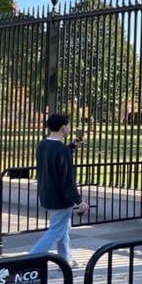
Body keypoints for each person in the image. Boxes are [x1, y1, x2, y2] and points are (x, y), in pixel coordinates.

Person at [29, 113, 89, 268]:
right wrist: (79, 201)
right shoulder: (60, 150)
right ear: (63, 127)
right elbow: (67, 179)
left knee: (62, 228)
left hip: (46, 195)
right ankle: (28, 260)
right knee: (56, 230)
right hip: (60, 199)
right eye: (68, 126)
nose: (69, 128)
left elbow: (56, 159)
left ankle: (66, 259)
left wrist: (72, 146)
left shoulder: (42, 145)